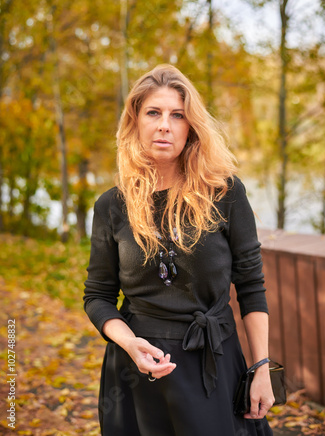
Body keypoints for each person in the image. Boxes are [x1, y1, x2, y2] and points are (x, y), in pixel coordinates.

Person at [84, 64, 275, 436]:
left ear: (191, 127)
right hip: (136, 368)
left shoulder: (226, 194)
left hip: (213, 362)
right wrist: (128, 342)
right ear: (135, 121)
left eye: (178, 115)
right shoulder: (111, 206)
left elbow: (251, 288)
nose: (164, 125)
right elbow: (98, 296)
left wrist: (263, 369)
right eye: (153, 113)